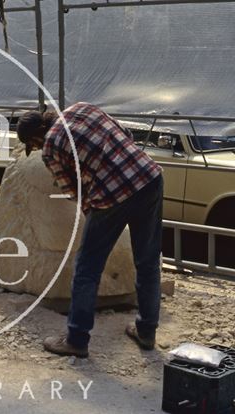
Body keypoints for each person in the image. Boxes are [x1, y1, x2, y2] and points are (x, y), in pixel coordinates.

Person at [16, 102, 163, 358]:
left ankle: (76, 339)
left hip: (113, 194)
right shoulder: (82, 108)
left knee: (86, 268)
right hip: (148, 177)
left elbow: (74, 191)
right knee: (147, 262)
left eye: (34, 145)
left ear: (36, 137)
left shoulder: (50, 147)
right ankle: (146, 331)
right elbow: (125, 136)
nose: (37, 148)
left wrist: (92, 213)